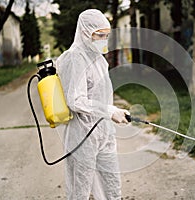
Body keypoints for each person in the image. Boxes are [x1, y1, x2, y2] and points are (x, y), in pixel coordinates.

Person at [56, 9, 129, 200]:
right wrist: (110, 111)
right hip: (82, 134)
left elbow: (102, 95)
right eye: (100, 35)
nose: (104, 39)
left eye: (106, 35)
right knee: (80, 190)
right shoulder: (75, 57)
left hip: (104, 131)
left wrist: (114, 110)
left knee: (112, 187)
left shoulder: (99, 59)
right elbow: (75, 100)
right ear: (85, 32)